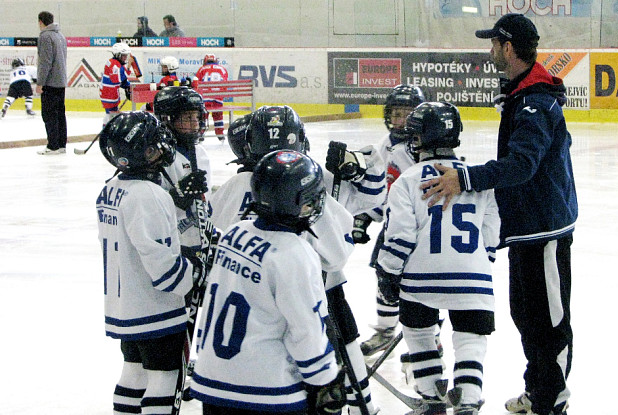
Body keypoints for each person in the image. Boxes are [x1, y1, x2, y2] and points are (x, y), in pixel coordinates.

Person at [419, 13, 578, 415]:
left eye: (493, 44)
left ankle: (552, 401)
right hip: (527, 227)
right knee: (526, 316)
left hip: (544, 229)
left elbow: (522, 164)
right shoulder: (524, 94)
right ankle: (539, 390)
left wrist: (466, 177)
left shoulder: (535, 101)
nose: (490, 50)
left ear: (508, 48)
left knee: (548, 323)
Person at [210, 106, 385, 415]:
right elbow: (343, 244)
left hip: (253, 299)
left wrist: (353, 171)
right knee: (338, 354)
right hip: (317, 291)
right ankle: (363, 407)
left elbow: (216, 227)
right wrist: (357, 170)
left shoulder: (240, 186)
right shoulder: (311, 179)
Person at [190, 149, 346, 415]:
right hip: (266, 389)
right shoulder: (295, 253)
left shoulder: (234, 233)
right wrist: (325, 377)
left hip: (212, 379)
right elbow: (305, 329)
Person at [377, 102, 499, 415]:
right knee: (471, 337)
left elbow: (400, 236)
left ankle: (431, 394)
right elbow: (490, 233)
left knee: (418, 332)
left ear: (417, 139)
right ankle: (468, 396)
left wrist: (388, 273)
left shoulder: (407, 179)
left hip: (422, 278)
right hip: (473, 276)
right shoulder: (476, 178)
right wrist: (481, 262)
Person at [96, 111, 205, 415]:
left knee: (134, 371)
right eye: (153, 145)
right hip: (154, 307)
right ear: (143, 152)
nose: (161, 147)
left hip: (123, 305)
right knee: (165, 377)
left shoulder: (111, 188)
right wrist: (193, 273)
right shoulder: (149, 195)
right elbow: (160, 262)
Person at [355, 84, 427, 357]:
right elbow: (382, 189)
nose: (400, 121)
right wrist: (364, 217)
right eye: (396, 114)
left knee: (418, 283)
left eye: (407, 114)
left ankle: (428, 337)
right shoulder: (385, 146)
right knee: (384, 274)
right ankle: (385, 329)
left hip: (421, 227)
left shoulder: (422, 145)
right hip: (393, 225)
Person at [153, 86, 211, 255]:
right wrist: (176, 196)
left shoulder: (201, 153)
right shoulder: (159, 157)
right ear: (167, 119)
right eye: (187, 117)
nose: (194, 124)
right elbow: (150, 209)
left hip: (200, 241)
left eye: (196, 117)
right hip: (172, 244)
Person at [36, 11, 67, 155]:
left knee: (49, 114)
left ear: (41, 22)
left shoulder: (45, 36)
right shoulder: (60, 35)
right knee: (60, 113)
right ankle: (61, 144)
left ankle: (53, 145)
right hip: (61, 81)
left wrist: (40, 83)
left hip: (50, 82)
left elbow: (45, 62)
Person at [194, 54, 229, 141]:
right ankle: (220, 134)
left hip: (205, 99)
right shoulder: (222, 69)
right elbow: (225, 85)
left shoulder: (201, 69)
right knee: (218, 115)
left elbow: (196, 83)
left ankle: (201, 132)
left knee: (203, 114)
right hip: (217, 99)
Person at [99, 42, 132, 127]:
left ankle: (107, 130)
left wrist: (128, 86)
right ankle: (106, 132)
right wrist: (127, 85)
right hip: (109, 95)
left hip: (109, 93)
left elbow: (122, 79)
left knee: (112, 114)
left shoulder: (115, 63)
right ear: (118, 54)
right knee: (111, 115)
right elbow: (116, 80)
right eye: (124, 55)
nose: (125, 58)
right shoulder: (114, 65)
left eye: (126, 55)